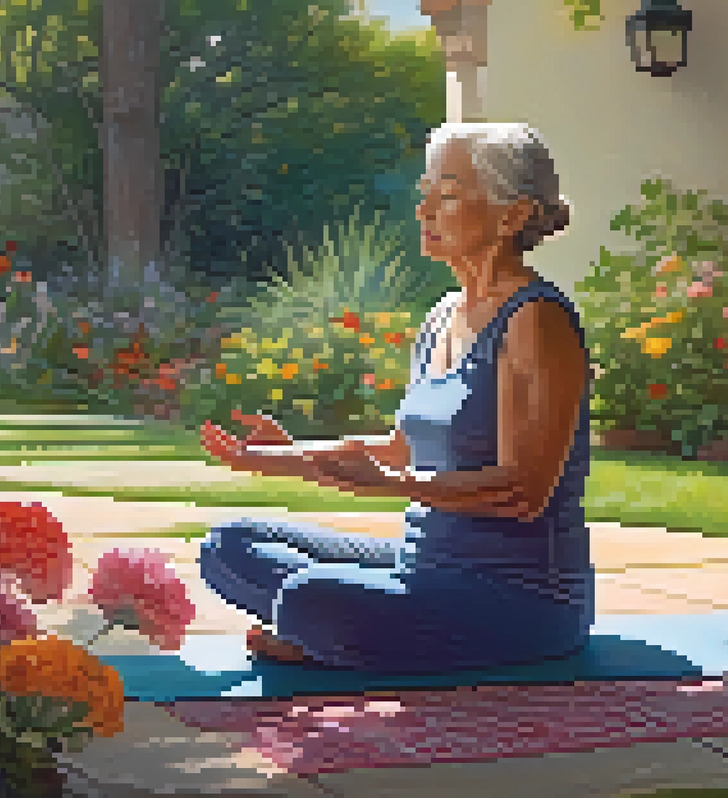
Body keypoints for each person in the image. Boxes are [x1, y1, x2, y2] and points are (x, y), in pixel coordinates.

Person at [198, 121, 593, 674]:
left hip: (520, 598)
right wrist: (277, 456)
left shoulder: (536, 320)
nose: (425, 209)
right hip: (423, 563)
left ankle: (329, 633)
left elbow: (523, 491)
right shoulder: (441, 317)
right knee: (230, 543)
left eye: (449, 194)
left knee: (313, 597)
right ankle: (336, 634)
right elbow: (403, 447)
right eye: (425, 191)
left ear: (513, 215)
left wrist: (390, 485)